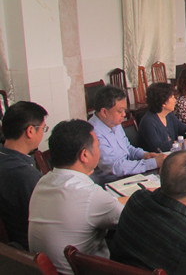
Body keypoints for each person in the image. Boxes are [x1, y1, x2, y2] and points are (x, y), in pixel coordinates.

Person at [29, 120, 123, 274]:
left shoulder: (42, 182)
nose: (99, 150)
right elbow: (129, 218)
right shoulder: (90, 195)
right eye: (97, 145)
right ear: (84, 155)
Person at [89, 85, 165, 185]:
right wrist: (153, 163)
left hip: (127, 174)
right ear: (104, 112)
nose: (124, 114)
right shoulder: (93, 133)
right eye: (120, 111)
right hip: (112, 182)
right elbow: (115, 167)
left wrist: (144, 155)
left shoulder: (113, 122)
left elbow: (127, 148)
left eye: (124, 110)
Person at [0, 101, 47, 249]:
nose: (43, 134)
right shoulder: (26, 176)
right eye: (43, 129)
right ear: (30, 131)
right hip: (28, 247)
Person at [137, 82, 186, 153]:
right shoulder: (148, 122)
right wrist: (185, 142)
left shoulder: (169, 115)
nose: (175, 100)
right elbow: (159, 148)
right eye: (172, 97)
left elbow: (183, 129)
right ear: (163, 103)